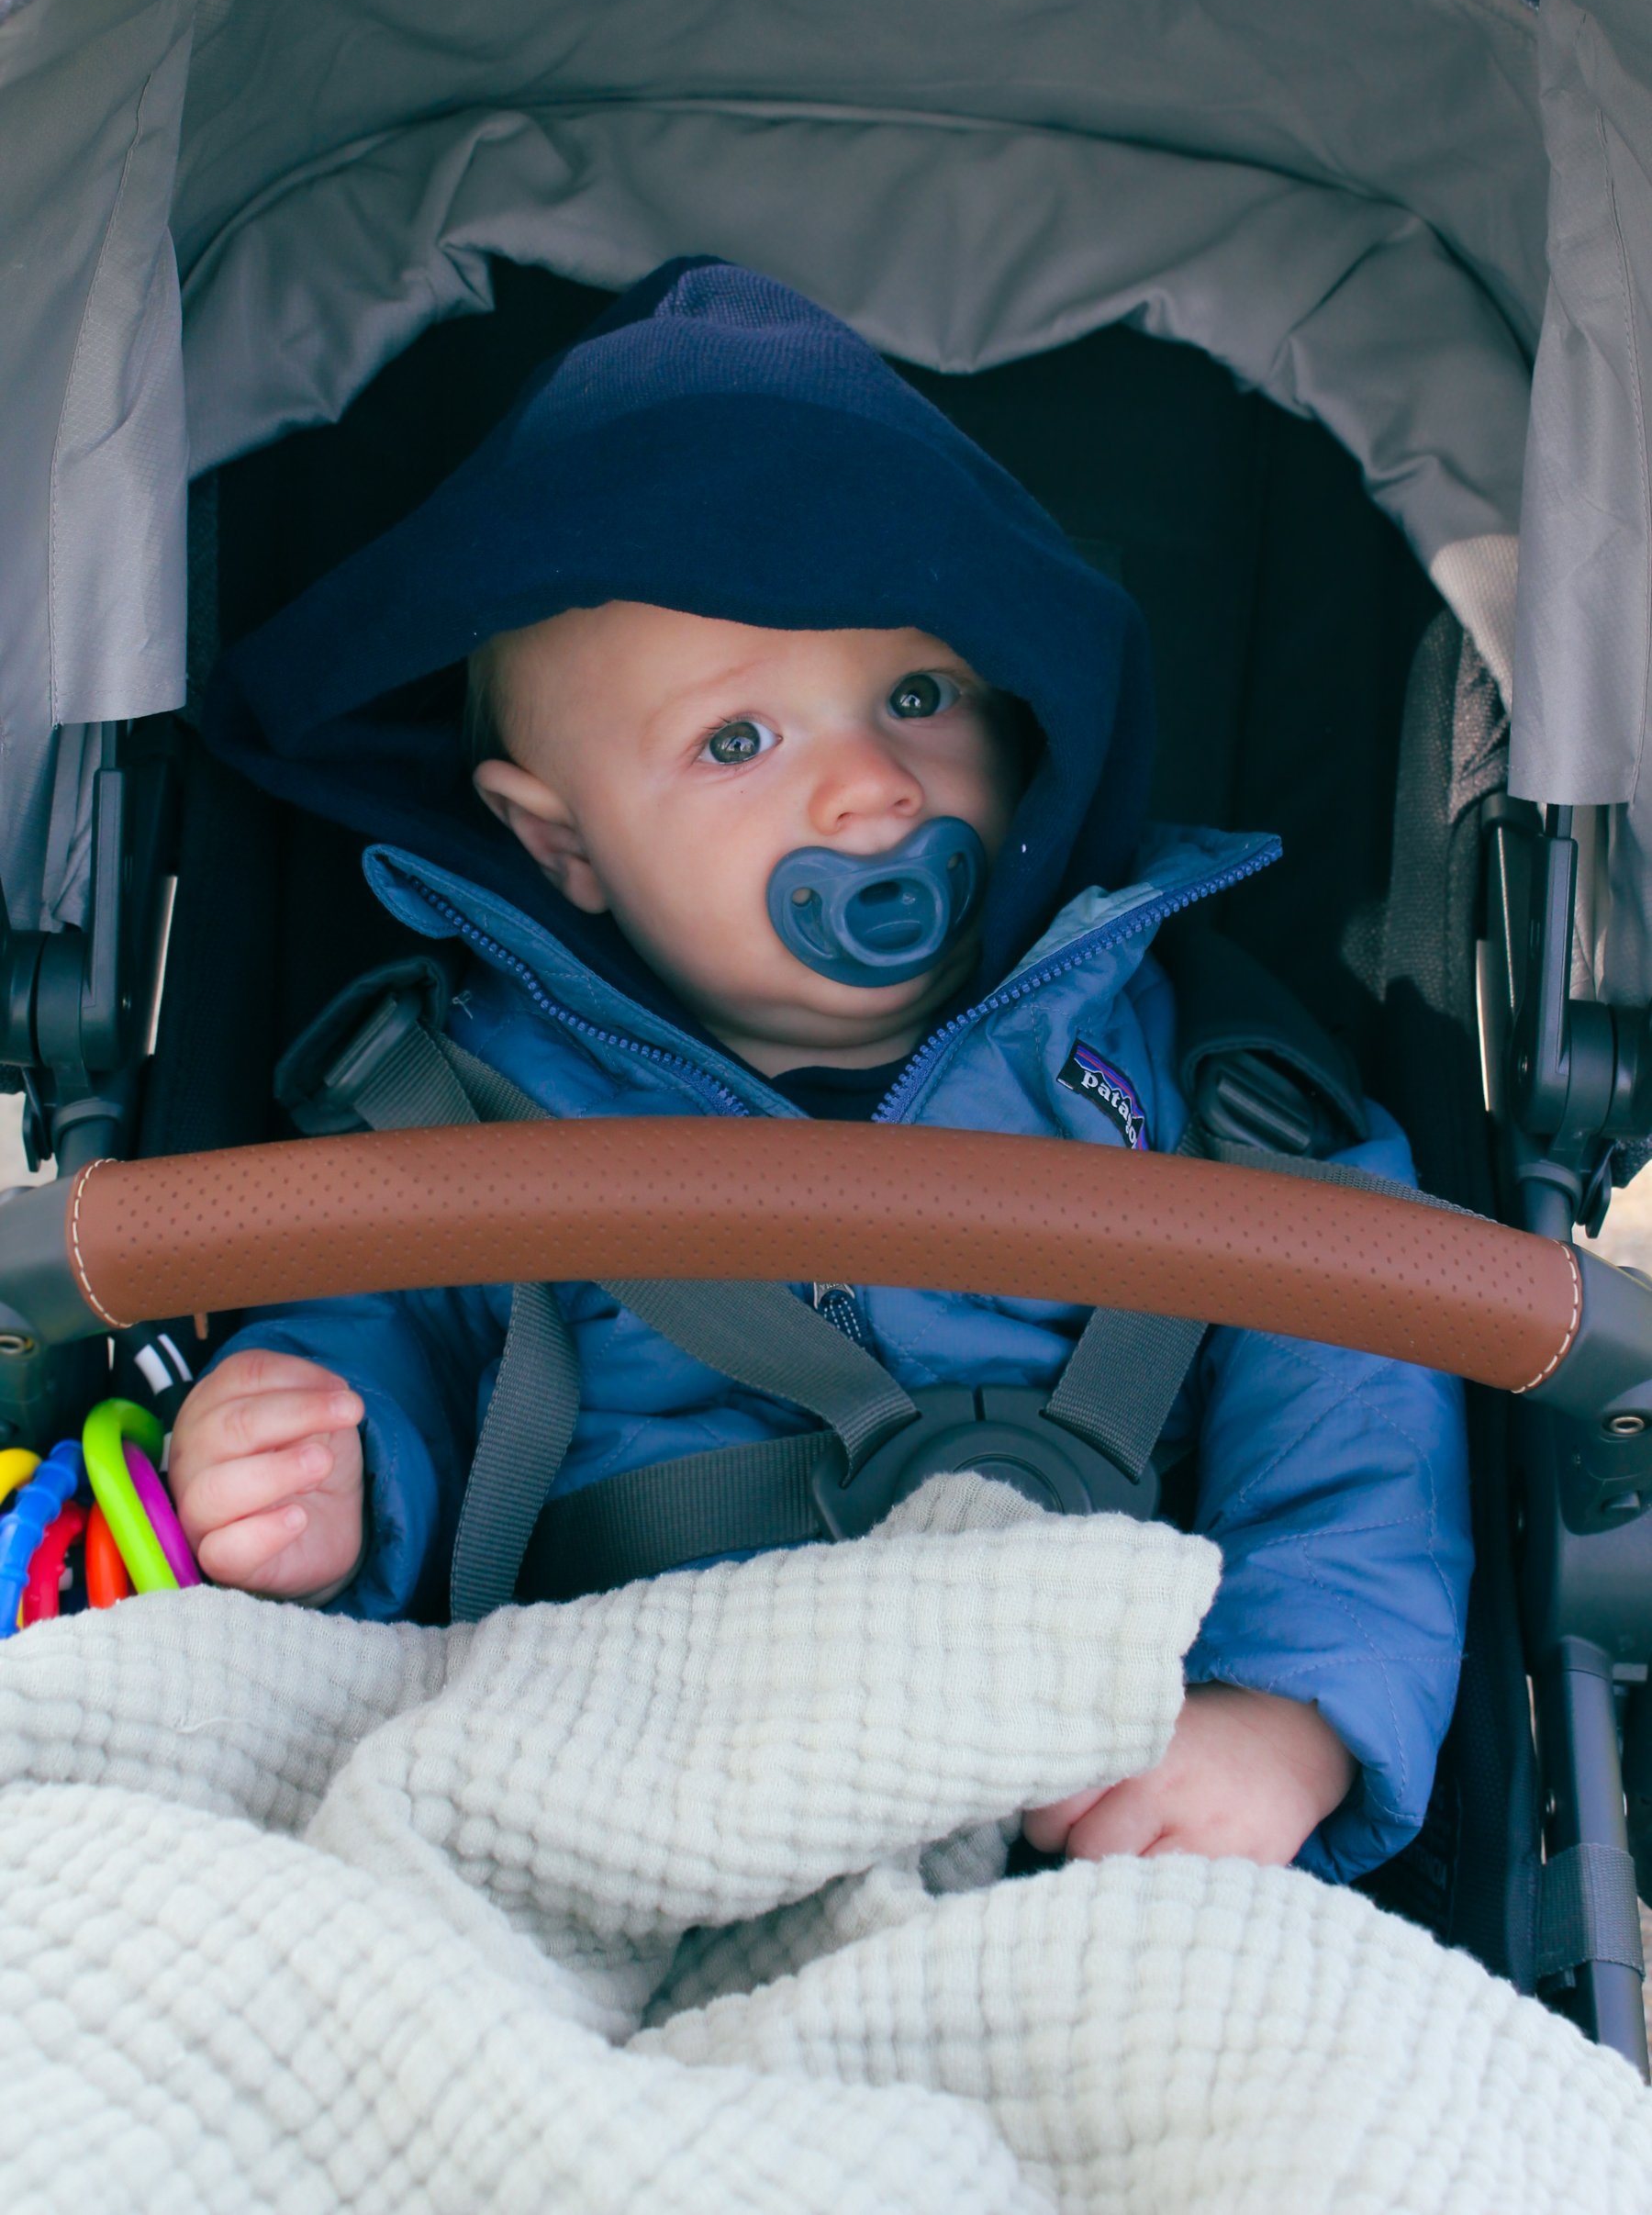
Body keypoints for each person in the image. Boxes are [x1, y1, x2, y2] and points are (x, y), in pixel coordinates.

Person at [178, 257, 1470, 1883]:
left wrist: (1290, 1716)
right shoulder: (468, 1107)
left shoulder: (1185, 1076)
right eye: (739, 741)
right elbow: (383, 1332)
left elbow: (1360, 1383)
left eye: (919, 697)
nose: (869, 789)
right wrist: (318, 1460)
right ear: (559, 840)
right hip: (609, 1761)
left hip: (1085, 1788)